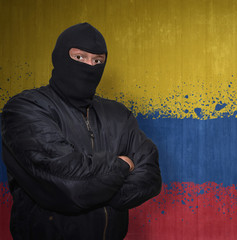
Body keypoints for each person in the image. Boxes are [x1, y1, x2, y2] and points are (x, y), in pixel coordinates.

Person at [1, 22, 162, 240]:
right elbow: (69, 187)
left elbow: (150, 176)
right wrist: (123, 165)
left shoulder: (118, 114)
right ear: (59, 57)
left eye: (97, 61)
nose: (89, 65)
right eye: (79, 57)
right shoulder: (25, 108)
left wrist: (95, 190)